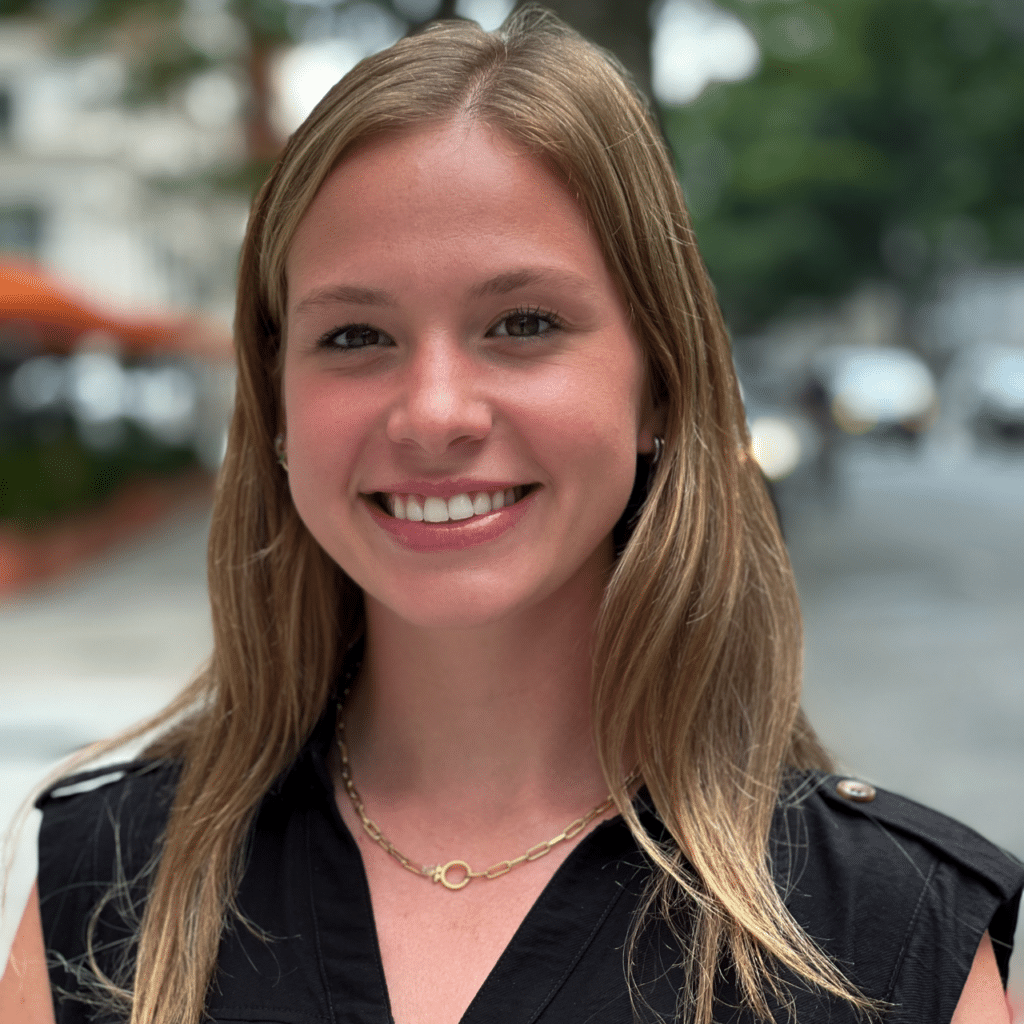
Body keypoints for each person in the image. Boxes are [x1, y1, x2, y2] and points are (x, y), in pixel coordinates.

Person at [2, 7, 1021, 1023]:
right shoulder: (109, 890)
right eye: (355, 334)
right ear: (275, 405)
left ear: (659, 386)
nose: (434, 413)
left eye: (523, 323)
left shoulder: (891, 941)